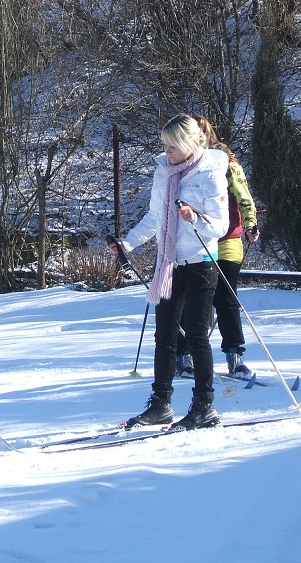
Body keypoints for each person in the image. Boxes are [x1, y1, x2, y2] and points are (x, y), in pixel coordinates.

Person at [109, 113, 229, 431]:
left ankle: (204, 405)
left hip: (201, 264)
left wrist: (195, 218)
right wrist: (128, 244)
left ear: (190, 142)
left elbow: (222, 225)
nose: (167, 152)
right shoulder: (164, 171)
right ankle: (160, 403)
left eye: (172, 146)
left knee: (197, 336)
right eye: (164, 145)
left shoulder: (211, 174)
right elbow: (154, 217)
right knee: (164, 337)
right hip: (168, 265)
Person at [175, 115, 260, 381]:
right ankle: (184, 354)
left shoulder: (227, 163)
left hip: (227, 239)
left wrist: (250, 224)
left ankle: (235, 355)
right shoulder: (180, 166)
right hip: (194, 239)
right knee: (190, 298)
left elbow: (244, 195)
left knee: (226, 298)